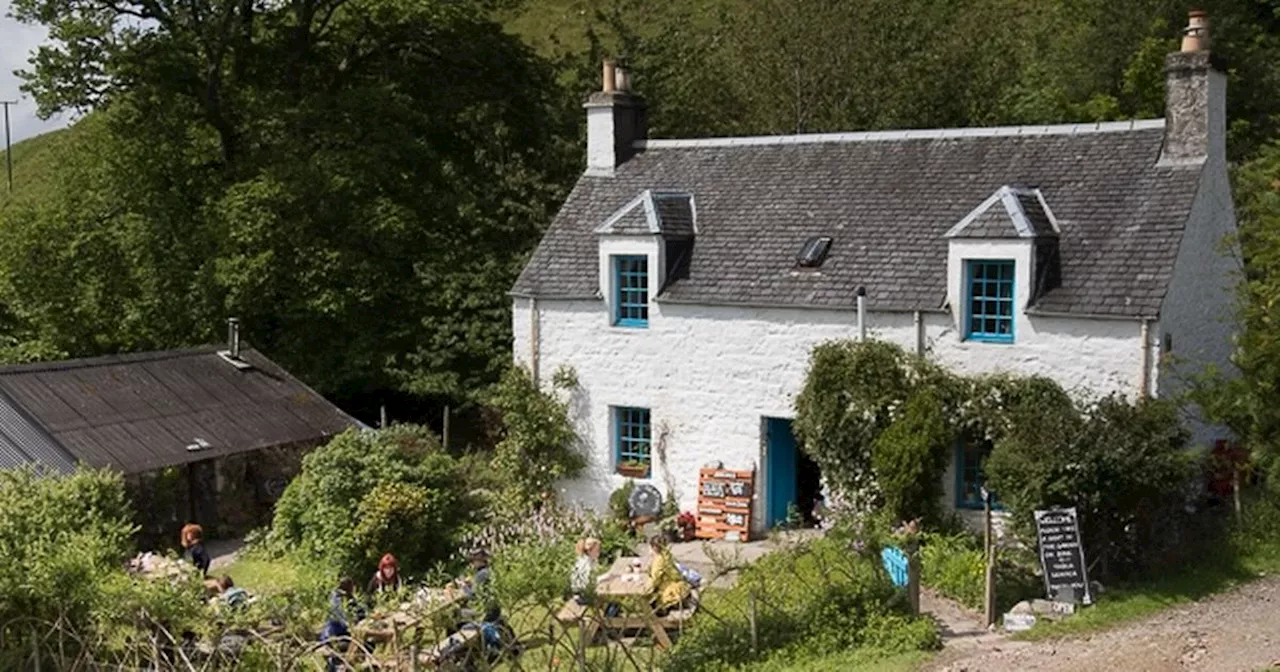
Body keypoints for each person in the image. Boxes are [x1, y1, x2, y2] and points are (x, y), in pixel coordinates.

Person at [320, 577, 365, 672]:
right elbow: (340, 616)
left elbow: (359, 610)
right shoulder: (336, 599)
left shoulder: (350, 599)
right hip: (333, 632)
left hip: (343, 632)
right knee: (335, 654)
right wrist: (350, 625)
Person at [645, 535, 690, 616]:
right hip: (680, 589)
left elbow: (655, 578)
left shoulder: (659, 560)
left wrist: (645, 590)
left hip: (670, 595)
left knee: (651, 606)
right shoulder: (667, 555)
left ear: (654, 548)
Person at [569, 538, 601, 604]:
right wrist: (605, 577)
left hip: (582, 592)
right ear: (589, 551)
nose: (599, 552)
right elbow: (588, 582)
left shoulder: (587, 559)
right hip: (582, 596)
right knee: (607, 599)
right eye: (597, 550)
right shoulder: (585, 563)